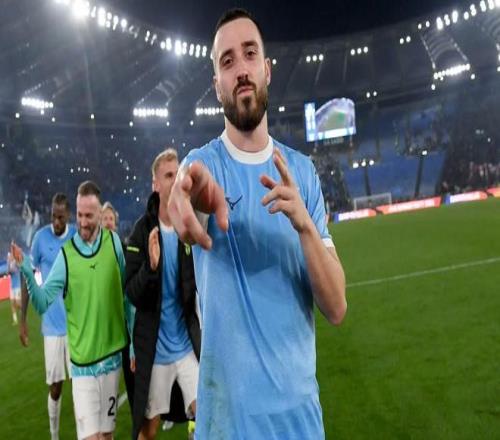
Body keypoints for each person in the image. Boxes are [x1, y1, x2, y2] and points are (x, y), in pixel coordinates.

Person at [167, 8, 347, 439]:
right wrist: (189, 193)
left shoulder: (302, 173)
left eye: (250, 55)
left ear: (266, 69)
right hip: (227, 425)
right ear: (217, 85)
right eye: (227, 61)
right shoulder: (203, 165)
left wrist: (305, 226)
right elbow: (187, 192)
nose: (241, 70)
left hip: (299, 423)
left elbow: (336, 307)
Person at [11, 181, 130, 440]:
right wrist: (27, 271)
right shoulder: (66, 256)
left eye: (89, 216)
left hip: (112, 362)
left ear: (100, 214)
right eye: (80, 215)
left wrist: (131, 348)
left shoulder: (114, 244)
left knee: (107, 436)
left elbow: (126, 296)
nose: (83, 222)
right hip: (83, 366)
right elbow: (42, 301)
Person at [125, 148, 201, 440]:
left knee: (208, 417)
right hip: (156, 353)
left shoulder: (189, 223)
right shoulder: (141, 232)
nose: (175, 179)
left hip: (186, 346)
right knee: (149, 431)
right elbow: (132, 292)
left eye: (178, 173)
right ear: (155, 184)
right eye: (169, 175)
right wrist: (151, 268)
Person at [19, 193, 76, 440]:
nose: (56, 221)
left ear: (68, 215)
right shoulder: (40, 239)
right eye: (53, 216)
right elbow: (27, 276)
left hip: (76, 326)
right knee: (56, 386)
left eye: (60, 217)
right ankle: (54, 435)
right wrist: (22, 320)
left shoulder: (76, 237)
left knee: (80, 384)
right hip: (52, 327)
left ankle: (85, 432)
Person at [101, 201, 136, 413]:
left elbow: (130, 291)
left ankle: (136, 420)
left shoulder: (125, 250)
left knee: (131, 378)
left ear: (115, 223)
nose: (108, 222)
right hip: (104, 330)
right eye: (104, 218)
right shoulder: (91, 252)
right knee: (106, 382)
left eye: (111, 219)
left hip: (123, 327)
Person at [7, 251, 21, 325]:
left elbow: (19, 266)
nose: (9, 258)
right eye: (8, 257)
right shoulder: (9, 264)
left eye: (9, 256)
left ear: (12, 256)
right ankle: (15, 320)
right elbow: (8, 272)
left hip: (17, 286)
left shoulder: (16, 262)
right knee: (12, 304)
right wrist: (9, 266)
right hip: (12, 286)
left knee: (18, 303)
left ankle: (22, 311)